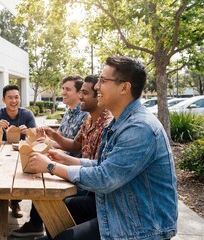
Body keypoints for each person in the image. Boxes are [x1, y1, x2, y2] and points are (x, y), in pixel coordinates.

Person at [29, 56, 178, 240]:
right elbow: (103, 165)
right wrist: (65, 159)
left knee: (63, 236)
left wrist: (51, 167)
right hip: (120, 207)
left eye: (103, 80)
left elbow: (105, 178)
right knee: (59, 212)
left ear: (124, 87)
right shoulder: (119, 122)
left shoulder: (139, 128)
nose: (97, 86)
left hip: (142, 225)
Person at [11, 75, 113, 238]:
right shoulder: (88, 118)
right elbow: (75, 144)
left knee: (45, 188)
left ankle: (43, 227)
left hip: (93, 186)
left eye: (84, 93)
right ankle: (48, 229)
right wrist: (53, 139)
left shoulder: (109, 125)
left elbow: (102, 170)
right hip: (84, 175)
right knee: (41, 182)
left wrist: (54, 164)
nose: (80, 96)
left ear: (99, 96)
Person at [0, 84, 37, 219]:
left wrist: (28, 132)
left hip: (19, 154)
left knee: (22, 176)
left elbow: (36, 138)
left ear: (20, 99)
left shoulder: (27, 114)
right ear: (3, 100)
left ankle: (15, 202)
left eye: (16, 97)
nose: (13, 101)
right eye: (10, 98)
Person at [53, 75, 89, 157]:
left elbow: (76, 146)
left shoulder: (86, 114)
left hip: (73, 165)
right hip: (61, 157)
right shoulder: (68, 112)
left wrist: (50, 142)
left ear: (79, 93)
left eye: (68, 89)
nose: (63, 93)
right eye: (63, 89)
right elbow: (59, 136)